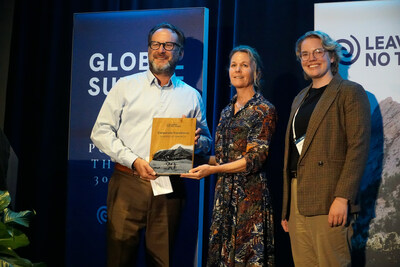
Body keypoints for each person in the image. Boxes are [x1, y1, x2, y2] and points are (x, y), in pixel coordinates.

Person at [91, 22, 212, 266]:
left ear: (180, 52)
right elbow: (100, 132)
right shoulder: (126, 86)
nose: (161, 50)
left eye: (169, 45)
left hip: (170, 187)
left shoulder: (191, 95)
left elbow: (207, 142)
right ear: (148, 49)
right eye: (155, 44)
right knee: (119, 258)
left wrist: (197, 142)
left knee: (162, 259)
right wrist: (134, 160)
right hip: (128, 182)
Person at [281, 31, 371, 266]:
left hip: (329, 196)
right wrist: (287, 207)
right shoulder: (300, 97)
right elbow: (292, 154)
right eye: (305, 54)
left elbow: (357, 148)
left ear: (331, 56)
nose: (312, 58)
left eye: (318, 52)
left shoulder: (350, 92)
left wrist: (342, 197)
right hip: (297, 196)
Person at [181, 45, 276, 266]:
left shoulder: (264, 109)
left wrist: (213, 170)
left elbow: (255, 158)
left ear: (256, 72)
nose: (237, 70)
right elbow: (223, 158)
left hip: (249, 199)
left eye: (244, 65)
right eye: (234, 65)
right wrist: (188, 153)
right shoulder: (226, 111)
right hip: (224, 197)